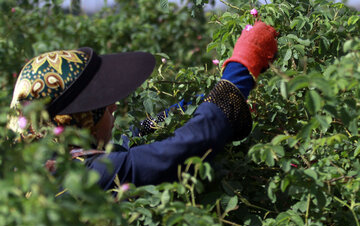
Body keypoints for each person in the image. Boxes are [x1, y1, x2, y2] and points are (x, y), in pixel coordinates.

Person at [9, 21, 278, 191]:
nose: (113, 105)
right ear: (79, 120)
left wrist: (196, 104)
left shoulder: (45, 162)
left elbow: (133, 137)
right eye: (100, 104)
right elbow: (176, 154)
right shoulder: (83, 176)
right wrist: (239, 73)